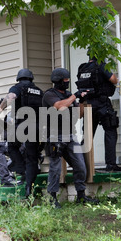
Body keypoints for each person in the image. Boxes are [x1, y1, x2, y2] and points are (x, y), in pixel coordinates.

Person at [42, 67, 99, 208]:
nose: (67, 83)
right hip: (54, 136)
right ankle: (52, 198)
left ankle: (81, 196)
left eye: (68, 80)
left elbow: (78, 115)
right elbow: (59, 106)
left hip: (70, 136)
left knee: (80, 166)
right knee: (55, 169)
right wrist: (74, 95)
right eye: (65, 80)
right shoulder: (49, 95)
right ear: (57, 81)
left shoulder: (68, 95)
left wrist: (81, 101)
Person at [0, 68, 44, 197]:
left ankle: (22, 171)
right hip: (36, 127)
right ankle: (29, 188)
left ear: (19, 78)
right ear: (31, 78)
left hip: (21, 126)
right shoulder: (39, 91)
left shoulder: (18, 88)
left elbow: (11, 97)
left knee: (12, 147)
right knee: (32, 157)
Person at [76, 52, 121, 172]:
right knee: (110, 131)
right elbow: (113, 80)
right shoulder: (101, 66)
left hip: (88, 104)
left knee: (87, 135)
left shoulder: (82, 68)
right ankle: (111, 164)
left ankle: (82, 165)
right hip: (102, 104)